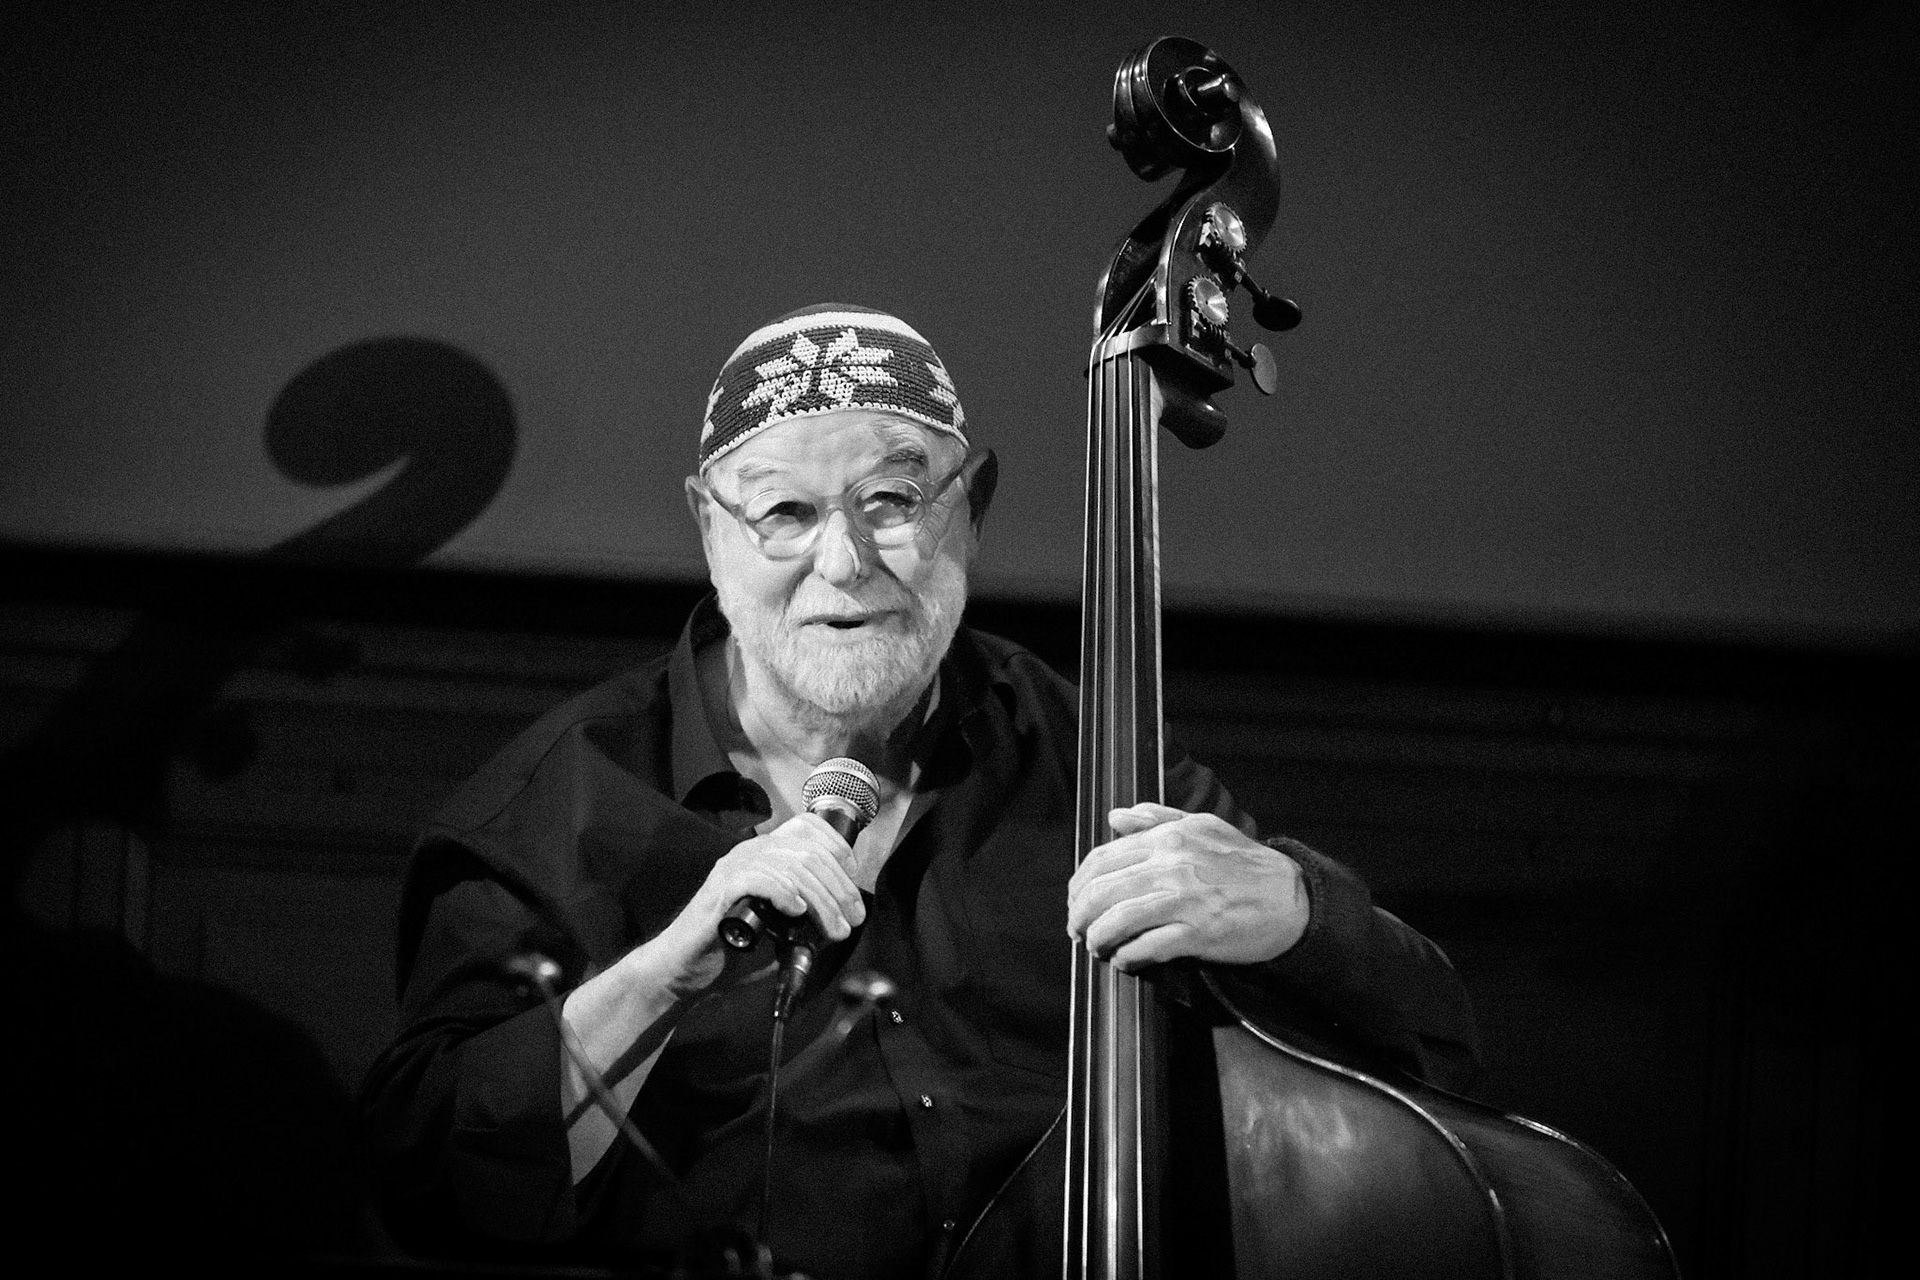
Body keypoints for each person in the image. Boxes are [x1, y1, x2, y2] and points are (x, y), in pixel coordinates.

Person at [358, 304, 1479, 1278]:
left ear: (972, 505)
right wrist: (661, 975)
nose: (843, 561)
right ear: (708, 526)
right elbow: (424, 1184)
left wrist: (1294, 907)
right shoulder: (550, 808)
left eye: (892, 498)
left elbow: (1439, 1059)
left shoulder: (1093, 756)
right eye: (784, 513)